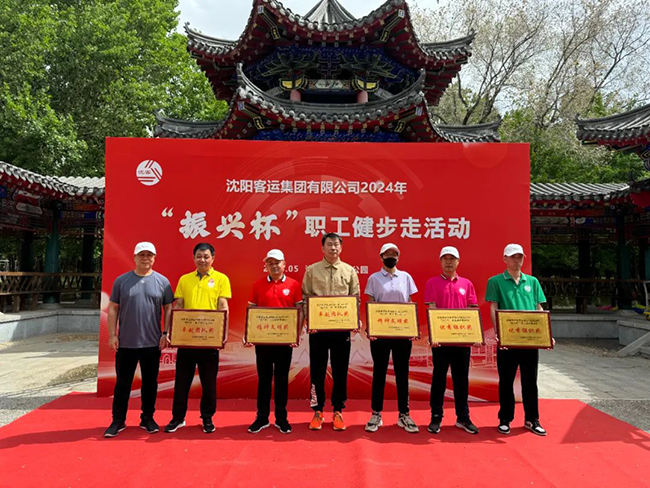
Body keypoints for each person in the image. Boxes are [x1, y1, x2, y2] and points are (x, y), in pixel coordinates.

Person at [104, 242, 174, 438]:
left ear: (154, 258)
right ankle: (118, 420)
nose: (145, 258)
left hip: (152, 343)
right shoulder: (122, 281)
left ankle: (147, 418)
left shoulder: (162, 282)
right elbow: (113, 308)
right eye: (141, 255)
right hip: (126, 343)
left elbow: (168, 308)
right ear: (134, 257)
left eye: (149, 255)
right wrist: (112, 334)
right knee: (122, 384)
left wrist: (166, 332)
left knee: (150, 384)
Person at [164, 243, 231, 434]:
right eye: (199, 256)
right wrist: (173, 332)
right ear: (194, 258)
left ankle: (207, 418)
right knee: (182, 382)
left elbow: (223, 307)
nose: (202, 260)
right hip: (187, 340)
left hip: (209, 341)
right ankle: (178, 418)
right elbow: (179, 306)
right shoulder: (185, 279)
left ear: (213, 258)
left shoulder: (221, 279)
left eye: (206, 256)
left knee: (209, 383)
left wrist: (223, 334)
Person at [485, 243, 549, 436]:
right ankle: (505, 419)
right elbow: (493, 307)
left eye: (519, 257)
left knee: (530, 381)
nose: (517, 260)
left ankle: (532, 419)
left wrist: (545, 335)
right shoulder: (495, 281)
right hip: (508, 340)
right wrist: (499, 334)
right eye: (513, 257)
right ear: (505, 259)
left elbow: (539, 308)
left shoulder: (532, 281)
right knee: (506, 380)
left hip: (529, 340)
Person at [302, 232, 360, 431]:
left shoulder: (349, 271)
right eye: (329, 244)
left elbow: (355, 298)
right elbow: (306, 296)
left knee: (340, 370)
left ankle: (338, 410)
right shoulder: (312, 270)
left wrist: (354, 319)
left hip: (341, 330)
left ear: (341, 248)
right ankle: (317, 410)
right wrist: (309, 320)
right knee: (317, 371)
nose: (333, 248)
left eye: (336, 244)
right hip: (318, 329)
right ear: (322, 248)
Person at [364, 243, 419, 434]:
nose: (391, 257)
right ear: (381, 257)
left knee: (402, 374)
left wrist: (412, 327)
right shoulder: (374, 278)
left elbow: (409, 303)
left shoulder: (406, 277)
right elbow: (371, 304)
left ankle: (404, 414)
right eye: (387, 254)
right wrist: (371, 328)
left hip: (402, 334)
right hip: (380, 334)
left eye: (394, 254)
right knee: (379, 373)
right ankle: (376, 413)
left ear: (398, 257)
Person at [246, 249, 302, 434]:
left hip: (285, 342)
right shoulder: (257, 285)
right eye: (270, 263)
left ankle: (281, 417)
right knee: (264, 379)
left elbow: (299, 311)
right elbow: (252, 312)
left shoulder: (294, 285)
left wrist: (296, 334)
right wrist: (249, 333)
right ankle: (262, 417)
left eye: (277, 263)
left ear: (284, 264)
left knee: (281, 379)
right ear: (266, 266)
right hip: (263, 342)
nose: (274, 266)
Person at [424, 246, 480, 435]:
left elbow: (472, 311)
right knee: (438, 379)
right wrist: (434, 335)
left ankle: (463, 417)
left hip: (462, 343)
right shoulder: (432, 283)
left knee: (461, 380)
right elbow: (431, 309)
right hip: (441, 342)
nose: (449, 262)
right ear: (440, 261)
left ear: (458, 261)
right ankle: (436, 416)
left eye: (452, 258)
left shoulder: (467, 284)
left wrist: (474, 335)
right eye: (445, 258)